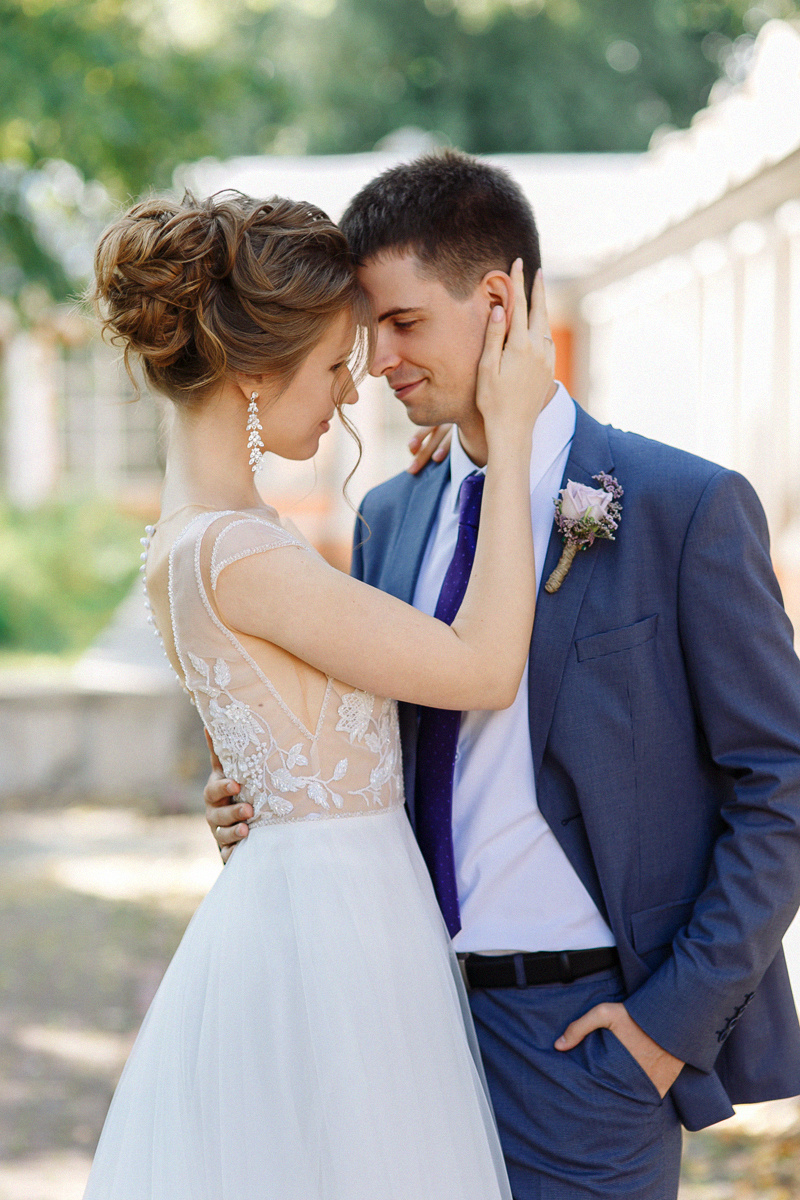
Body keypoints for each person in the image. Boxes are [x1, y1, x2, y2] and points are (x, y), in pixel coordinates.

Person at [208, 152, 800, 1200]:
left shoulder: (680, 507)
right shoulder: (391, 514)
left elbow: (779, 785)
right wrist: (277, 799)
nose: (376, 361)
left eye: (399, 323)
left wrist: (664, 1030)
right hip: (398, 1024)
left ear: (494, 304)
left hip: (585, 1047)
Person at [81, 189, 555, 1200]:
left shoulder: (201, 532)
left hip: (321, 896)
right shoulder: (235, 548)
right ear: (254, 373)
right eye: (335, 365)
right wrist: (506, 443)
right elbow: (480, 669)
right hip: (337, 924)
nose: (351, 393)